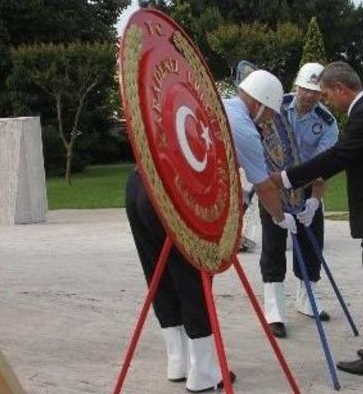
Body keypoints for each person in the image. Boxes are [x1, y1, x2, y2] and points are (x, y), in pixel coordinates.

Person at [126, 69, 294, 392]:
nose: (270, 120)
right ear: (260, 103)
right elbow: (265, 188)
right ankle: (203, 373)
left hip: (140, 183)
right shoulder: (244, 127)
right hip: (174, 194)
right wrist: (280, 218)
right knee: (192, 277)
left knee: (159, 278)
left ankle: (179, 361)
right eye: (271, 113)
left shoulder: (217, 103)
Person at [270, 61, 363, 379]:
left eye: (326, 95)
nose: (326, 101)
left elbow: (337, 157)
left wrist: (286, 178)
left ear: (341, 89)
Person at [259, 62, 339, 338]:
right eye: (306, 90)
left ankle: (307, 300)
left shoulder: (327, 122)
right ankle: (274, 310)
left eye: (316, 93)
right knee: (273, 245)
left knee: (311, 242)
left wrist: (314, 202)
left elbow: (323, 168)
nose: (310, 97)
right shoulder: (275, 107)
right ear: (297, 87)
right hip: (272, 187)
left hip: (306, 188)